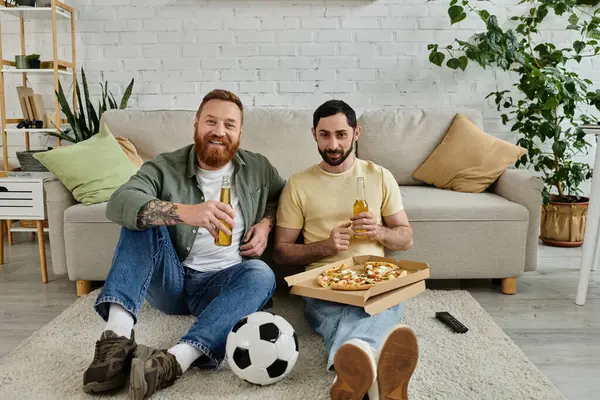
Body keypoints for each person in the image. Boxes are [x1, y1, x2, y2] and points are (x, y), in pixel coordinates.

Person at [82, 89, 286, 400]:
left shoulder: (257, 168)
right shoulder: (165, 166)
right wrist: (183, 213)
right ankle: (115, 341)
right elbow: (119, 202)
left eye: (230, 125)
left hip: (222, 284)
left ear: (240, 132)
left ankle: (175, 361)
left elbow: (282, 195)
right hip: (172, 281)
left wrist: (265, 224)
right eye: (211, 121)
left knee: (261, 274)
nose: (219, 131)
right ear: (196, 124)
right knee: (141, 219)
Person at [274, 100, 419, 400]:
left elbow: (406, 239)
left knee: (382, 302)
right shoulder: (298, 184)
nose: (333, 144)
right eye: (325, 135)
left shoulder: (380, 176)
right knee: (345, 314)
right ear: (313, 134)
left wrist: (379, 231)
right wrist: (325, 246)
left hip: (376, 278)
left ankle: (352, 372)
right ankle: (378, 380)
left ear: (356, 133)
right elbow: (281, 252)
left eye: (341, 134)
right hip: (322, 283)